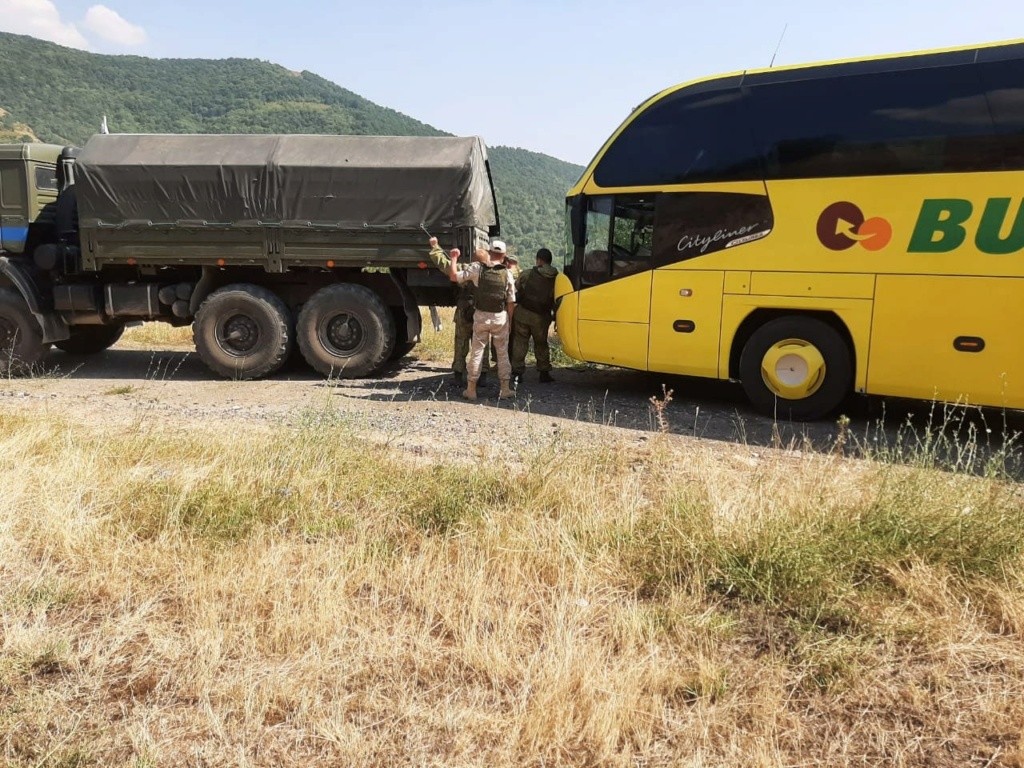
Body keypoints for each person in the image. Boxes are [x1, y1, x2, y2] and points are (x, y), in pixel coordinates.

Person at [447, 244, 516, 400]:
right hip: (500, 317)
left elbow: (453, 276)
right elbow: (511, 302)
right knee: (502, 354)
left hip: (481, 317)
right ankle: (505, 389)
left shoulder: (477, 269)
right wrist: (510, 321)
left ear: (490, 253)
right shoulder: (508, 274)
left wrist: (453, 258)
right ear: (504, 256)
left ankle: (471, 389)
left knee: (477, 352)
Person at [427, 236, 490, 386]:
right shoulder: (491, 273)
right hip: (482, 313)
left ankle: (458, 376)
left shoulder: (466, 269)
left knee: (461, 343)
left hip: (464, 311)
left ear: (474, 260)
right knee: (482, 344)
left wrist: (435, 247)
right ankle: (483, 376)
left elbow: (445, 265)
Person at [511, 247, 559, 385]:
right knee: (541, 343)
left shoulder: (527, 274)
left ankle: (517, 374)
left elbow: (517, 287)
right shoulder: (556, 278)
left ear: (538, 260)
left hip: (523, 313)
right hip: (541, 317)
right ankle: (544, 372)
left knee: (520, 342)